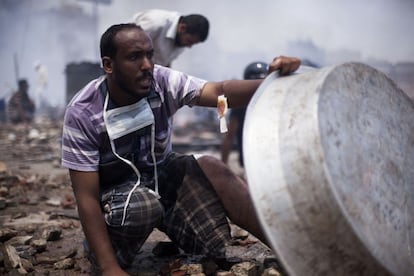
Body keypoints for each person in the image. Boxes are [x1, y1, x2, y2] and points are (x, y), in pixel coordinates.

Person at [61, 23, 300, 275]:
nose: (146, 65)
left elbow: (218, 92)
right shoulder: (83, 112)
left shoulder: (162, 82)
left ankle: (290, 249)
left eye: (149, 55)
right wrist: (109, 267)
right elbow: (85, 197)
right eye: (134, 57)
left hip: (160, 178)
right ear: (109, 65)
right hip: (117, 200)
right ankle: (105, 254)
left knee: (212, 174)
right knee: (143, 206)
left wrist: (274, 83)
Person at [221, 61, 268, 169]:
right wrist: (223, 167)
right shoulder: (241, 105)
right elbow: (229, 136)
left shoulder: (272, 102)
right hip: (251, 164)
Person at [132, 9, 209, 67]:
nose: (189, 46)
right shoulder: (156, 23)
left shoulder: (180, 41)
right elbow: (129, 44)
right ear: (182, 28)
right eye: (189, 41)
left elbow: (164, 63)